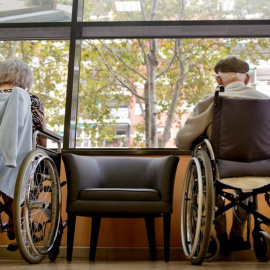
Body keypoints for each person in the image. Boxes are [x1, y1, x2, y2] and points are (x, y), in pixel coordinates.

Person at [175, 56, 270, 255]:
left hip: (222, 167)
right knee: (245, 189)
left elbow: (183, 140)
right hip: (263, 167)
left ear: (219, 80)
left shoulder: (214, 100)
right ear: (247, 79)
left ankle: (220, 235)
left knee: (210, 175)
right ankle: (237, 234)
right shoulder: (266, 101)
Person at [0, 59, 46, 241]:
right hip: (17, 159)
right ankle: (17, 220)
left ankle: (15, 220)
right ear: (26, 79)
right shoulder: (31, 100)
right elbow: (41, 134)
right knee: (11, 171)